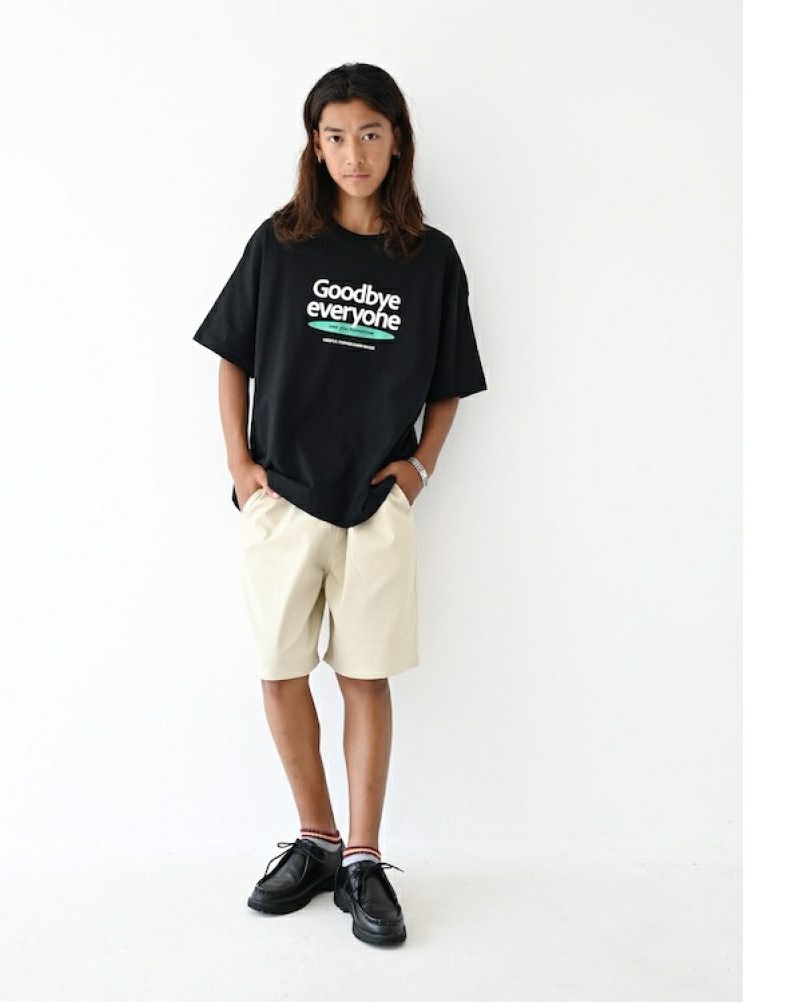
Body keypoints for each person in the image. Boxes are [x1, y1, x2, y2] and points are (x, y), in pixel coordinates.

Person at [192, 62, 487, 948]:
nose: (353, 153)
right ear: (314, 147)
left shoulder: (430, 259)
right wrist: (241, 465)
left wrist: (420, 469)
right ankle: (315, 839)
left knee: (365, 676)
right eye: (335, 136)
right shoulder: (281, 244)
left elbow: (449, 384)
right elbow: (233, 355)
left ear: (396, 142)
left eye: (369, 133)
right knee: (281, 671)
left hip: (374, 503)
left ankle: (362, 859)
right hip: (282, 495)